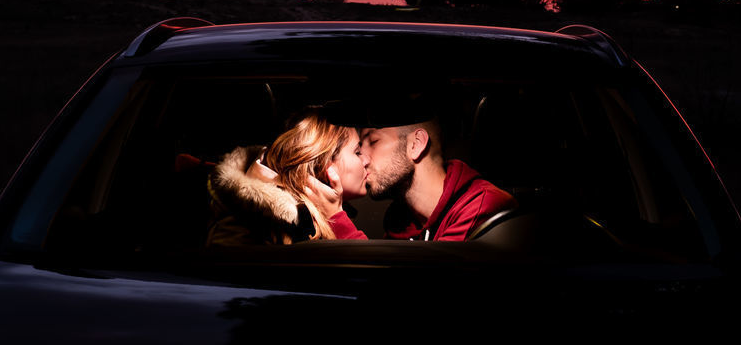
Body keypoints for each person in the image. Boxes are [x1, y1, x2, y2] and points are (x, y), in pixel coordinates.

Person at [310, 107, 515, 241]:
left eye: (373, 141)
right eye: (359, 148)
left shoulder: (481, 208)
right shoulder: (401, 221)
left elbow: (411, 291)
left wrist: (336, 219)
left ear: (415, 145)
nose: (363, 158)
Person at [207, 111, 368, 245]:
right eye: (357, 152)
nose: (366, 160)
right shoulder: (259, 226)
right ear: (324, 164)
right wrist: (337, 218)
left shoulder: (305, 217)